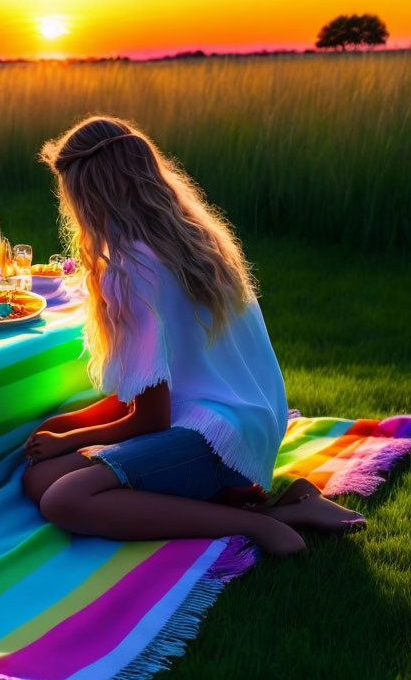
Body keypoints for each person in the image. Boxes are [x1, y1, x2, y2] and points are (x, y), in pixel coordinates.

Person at [21, 116, 364, 555]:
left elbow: (151, 419)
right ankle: (277, 501)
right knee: (39, 477)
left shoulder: (131, 270)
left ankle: (264, 521)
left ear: (92, 194)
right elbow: (152, 393)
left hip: (214, 439)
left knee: (63, 499)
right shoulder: (195, 239)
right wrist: (64, 428)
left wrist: (70, 439)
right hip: (252, 425)